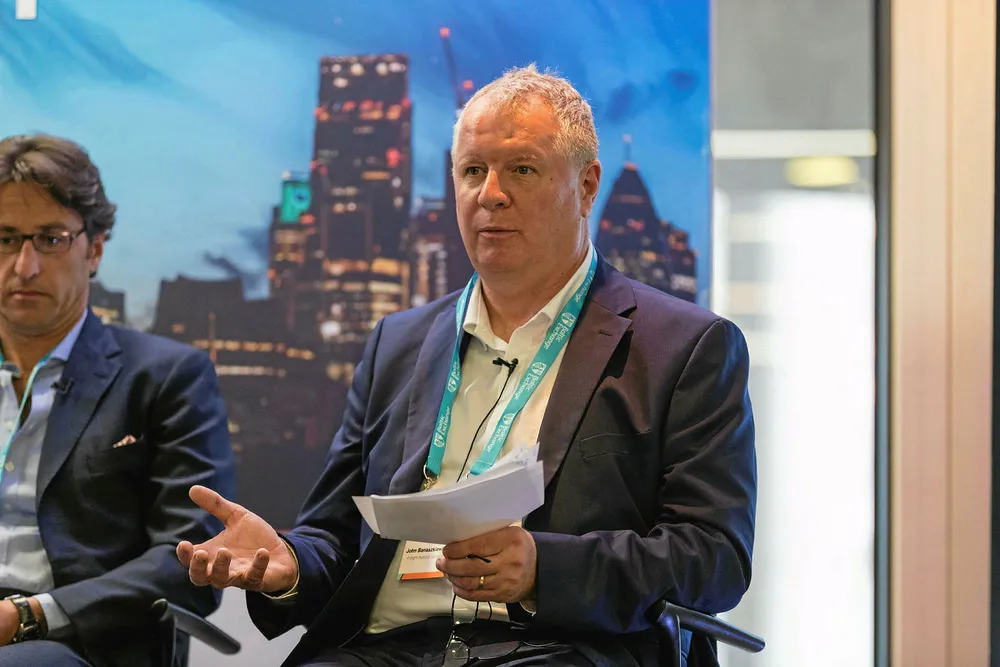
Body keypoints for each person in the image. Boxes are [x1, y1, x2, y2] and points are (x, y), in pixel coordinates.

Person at [178, 65, 756, 667]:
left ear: (587, 187)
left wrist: (544, 568)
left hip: (559, 647)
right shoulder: (397, 343)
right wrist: (289, 564)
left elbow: (715, 558)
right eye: (472, 171)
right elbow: (337, 537)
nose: (490, 194)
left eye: (522, 169)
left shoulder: (684, 347)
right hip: (386, 650)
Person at [0, 134, 236, 667]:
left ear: (95, 249)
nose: (24, 266)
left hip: (76, 644)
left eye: (51, 239)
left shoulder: (166, 377)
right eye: (6, 238)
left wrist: (28, 615)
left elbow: (191, 560)